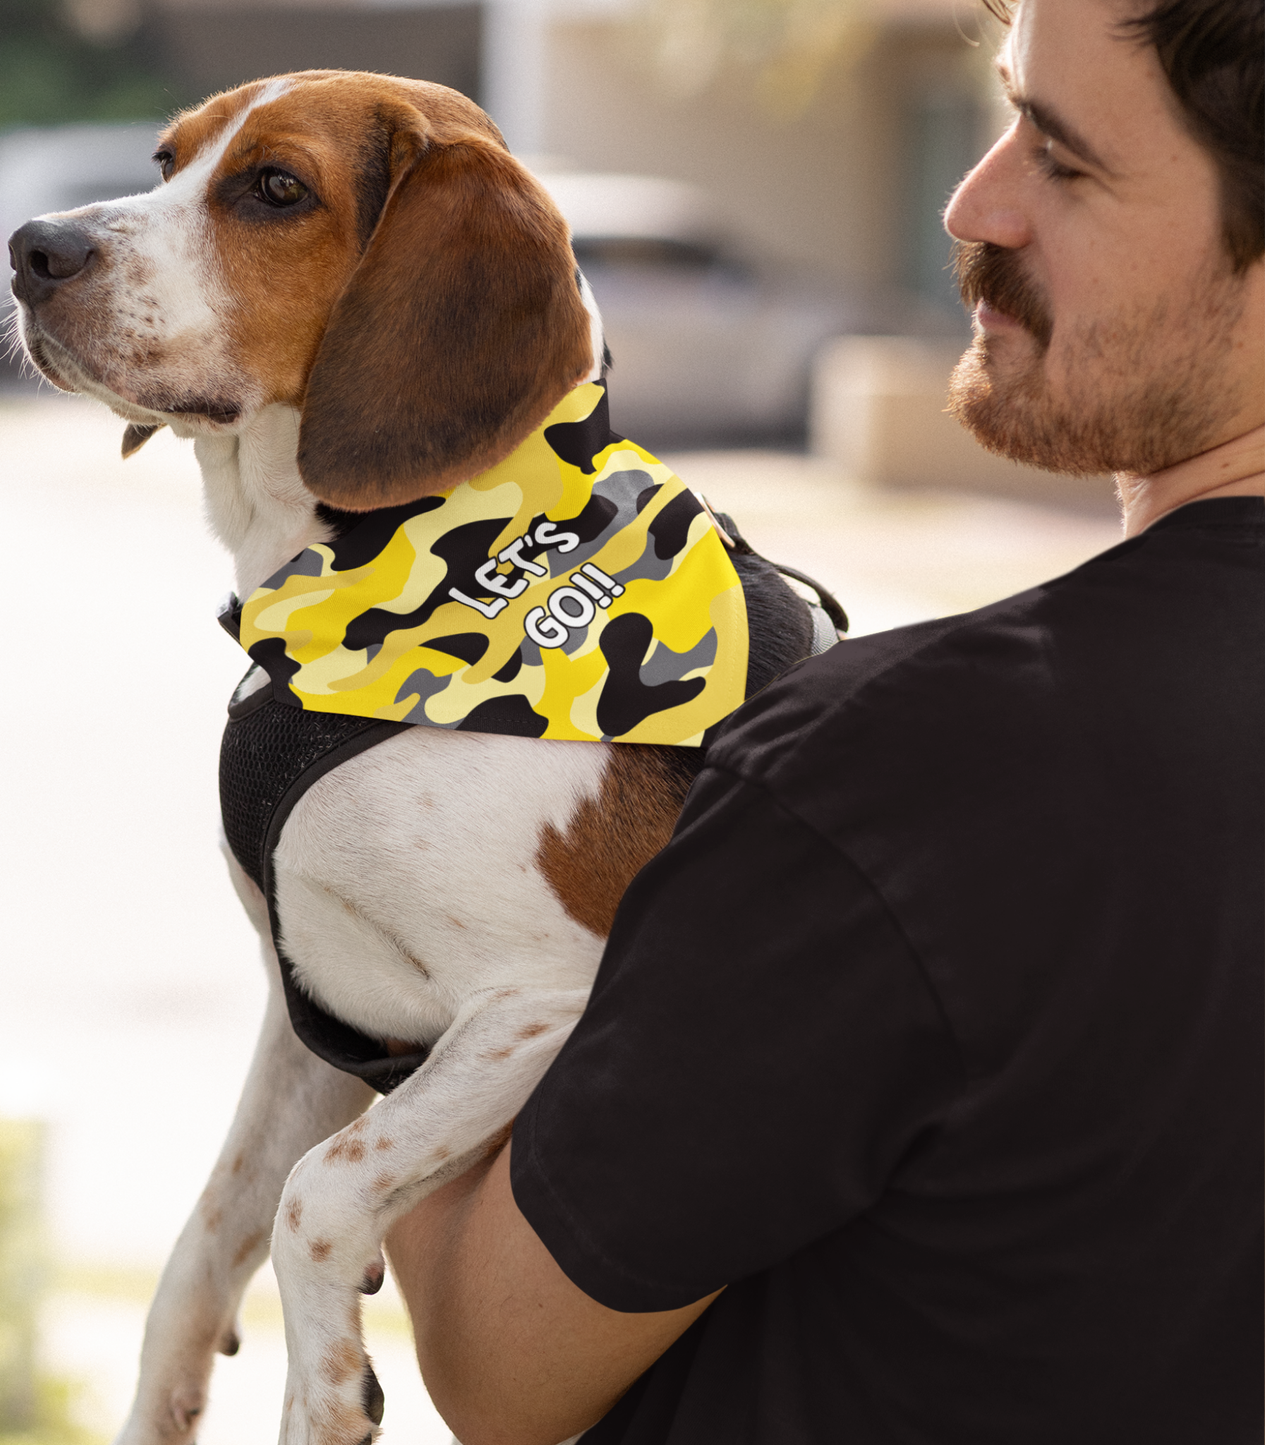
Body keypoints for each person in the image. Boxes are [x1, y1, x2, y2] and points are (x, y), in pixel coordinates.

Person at [385, 0, 1265, 1439]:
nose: (973, 199)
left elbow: (496, 1365)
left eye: (1062, 154)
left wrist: (384, 874)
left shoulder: (913, 774)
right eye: (1001, 113)